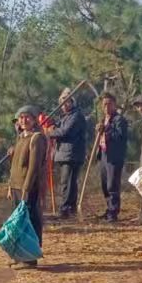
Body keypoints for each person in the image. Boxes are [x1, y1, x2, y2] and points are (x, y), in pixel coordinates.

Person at [5, 105, 49, 268]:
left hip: (28, 188)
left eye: (27, 117)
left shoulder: (37, 138)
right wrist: (10, 186)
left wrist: (26, 189)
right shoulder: (21, 137)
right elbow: (16, 166)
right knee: (18, 222)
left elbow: (33, 167)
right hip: (16, 186)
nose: (24, 120)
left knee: (29, 222)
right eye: (21, 117)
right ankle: (19, 255)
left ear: (34, 120)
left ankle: (30, 258)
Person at [46, 88, 88, 217]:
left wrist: (49, 133)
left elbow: (64, 132)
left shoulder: (76, 116)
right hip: (65, 153)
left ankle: (65, 209)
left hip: (71, 154)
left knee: (67, 182)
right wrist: (52, 126)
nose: (65, 105)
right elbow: (58, 127)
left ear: (72, 102)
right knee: (69, 182)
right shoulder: (65, 116)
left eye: (68, 102)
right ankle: (70, 208)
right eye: (63, 103)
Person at [93, 93, 130, 223]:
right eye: (104, 104)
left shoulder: (119, 120)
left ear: (114, 105)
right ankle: (109, 209)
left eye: (109, 104)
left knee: (112, 185)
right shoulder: (103, 119)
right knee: (104, 185)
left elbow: (119, 137)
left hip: (114, 156)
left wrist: (106, 129)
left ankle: (113, 213)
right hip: (104, 154)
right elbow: (101, 136)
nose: (106, 107)